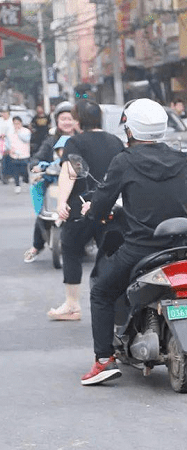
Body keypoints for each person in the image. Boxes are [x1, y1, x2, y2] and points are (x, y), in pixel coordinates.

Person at [79, 98, 187, 385]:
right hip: (183, 248)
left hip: (141, 250)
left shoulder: (124, 161)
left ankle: (104, 359)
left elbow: (101, 206)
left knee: (101, 291)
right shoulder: (182, 158)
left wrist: (92, 212)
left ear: (130, 130)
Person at [46, 100, 125, 321]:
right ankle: (119, 302)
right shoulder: (116, 141)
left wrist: (61, 203)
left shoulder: (75, 142)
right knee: (111, 255)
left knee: (70, 249)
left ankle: (72, 305)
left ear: (79, 120)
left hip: (81, 209)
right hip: (110, 207)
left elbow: (69, 172)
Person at [25, 136, 69, 264]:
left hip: (73, 195)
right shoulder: (54, 161)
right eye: (60, 150)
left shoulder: (76, 163)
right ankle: (36, 247)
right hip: (55, 196)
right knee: (42, 214)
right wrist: (38, 168)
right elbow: (42, 164)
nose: (63, 152)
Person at [7, 116, 32, 193]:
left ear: (21, 123)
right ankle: (17, 185)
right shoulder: (10, 132)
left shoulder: (26, 131)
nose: (16, 125)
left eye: (18, 123)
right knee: (15, 171)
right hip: (14, 155)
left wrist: (19, 133)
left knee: (24, 170)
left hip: (24, 154)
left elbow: (26, 139)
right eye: (15, 124)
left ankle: (26, 180)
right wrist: (9, 149)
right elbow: (8, 142)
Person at [0, 105, 13, 184]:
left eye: (5, 112)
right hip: (2, 142)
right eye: (2, 112)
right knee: (3, 160)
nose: (4, 114)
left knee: (10, 160)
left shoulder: (11, 121)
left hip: (10, 142)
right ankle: (4, 176)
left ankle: (9, 175)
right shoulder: (0, 121)